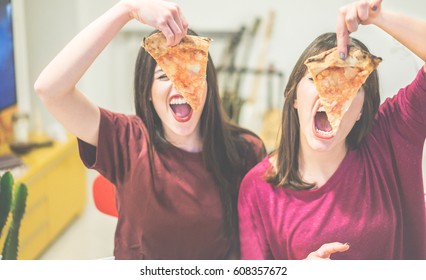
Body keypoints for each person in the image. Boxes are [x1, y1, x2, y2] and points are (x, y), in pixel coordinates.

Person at [34, 0, 265, 260]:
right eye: (164, 76)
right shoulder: (126, 139)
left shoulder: (245, 150)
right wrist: (127, 10)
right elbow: (50, 90)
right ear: (147, 93)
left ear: (209, 85)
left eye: (191, 73)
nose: (179, 84)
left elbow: (261, 242)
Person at [238, 0, 426, 260]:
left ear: (362, 109)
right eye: (319, 78)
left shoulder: (387, 138)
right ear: (294, 97)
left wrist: (379, 17)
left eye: (350, 82)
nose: (333, 94)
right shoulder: (258, 187)